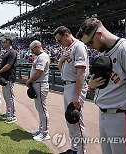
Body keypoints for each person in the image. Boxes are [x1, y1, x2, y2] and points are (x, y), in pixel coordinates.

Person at [77, 17, 126, 154]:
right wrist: (91, 84)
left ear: (99, 34)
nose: (90, 47)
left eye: (90, 42)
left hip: (122, 116)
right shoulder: (103, 51)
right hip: (104, 114)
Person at [53, 26, 89, 154]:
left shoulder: (78, 46)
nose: (59, 43)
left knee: (77, 120)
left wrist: (77, 96)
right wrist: (61, 60)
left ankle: (81, 151)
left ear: (67, 34)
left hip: (75, 86)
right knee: (70, 120)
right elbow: (61, 69)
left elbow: (81, 73)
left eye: (59, 40)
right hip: (68, 85)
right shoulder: (68, 48)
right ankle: (74, 149)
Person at [26, 40, 50, 141]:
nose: (32, 51)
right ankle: (41, 129)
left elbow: (38, 72)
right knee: (40, 109)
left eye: (33, 49)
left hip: (40, 84)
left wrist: (29, 81)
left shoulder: (43, 56)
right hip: (37, 84)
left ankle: (45, 133)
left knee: (42, 110)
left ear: (38, 47)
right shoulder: (39, 57)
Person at [0, 38, 17, 123]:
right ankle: (8, 113)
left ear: (9, 42)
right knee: (6, 97)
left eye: (4, 42)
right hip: (4, 77)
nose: (3, 43)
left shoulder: (12, 52)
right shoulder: (6, 52)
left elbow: (9, 65)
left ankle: (12, 116)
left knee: (10, 98)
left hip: (9, 77)